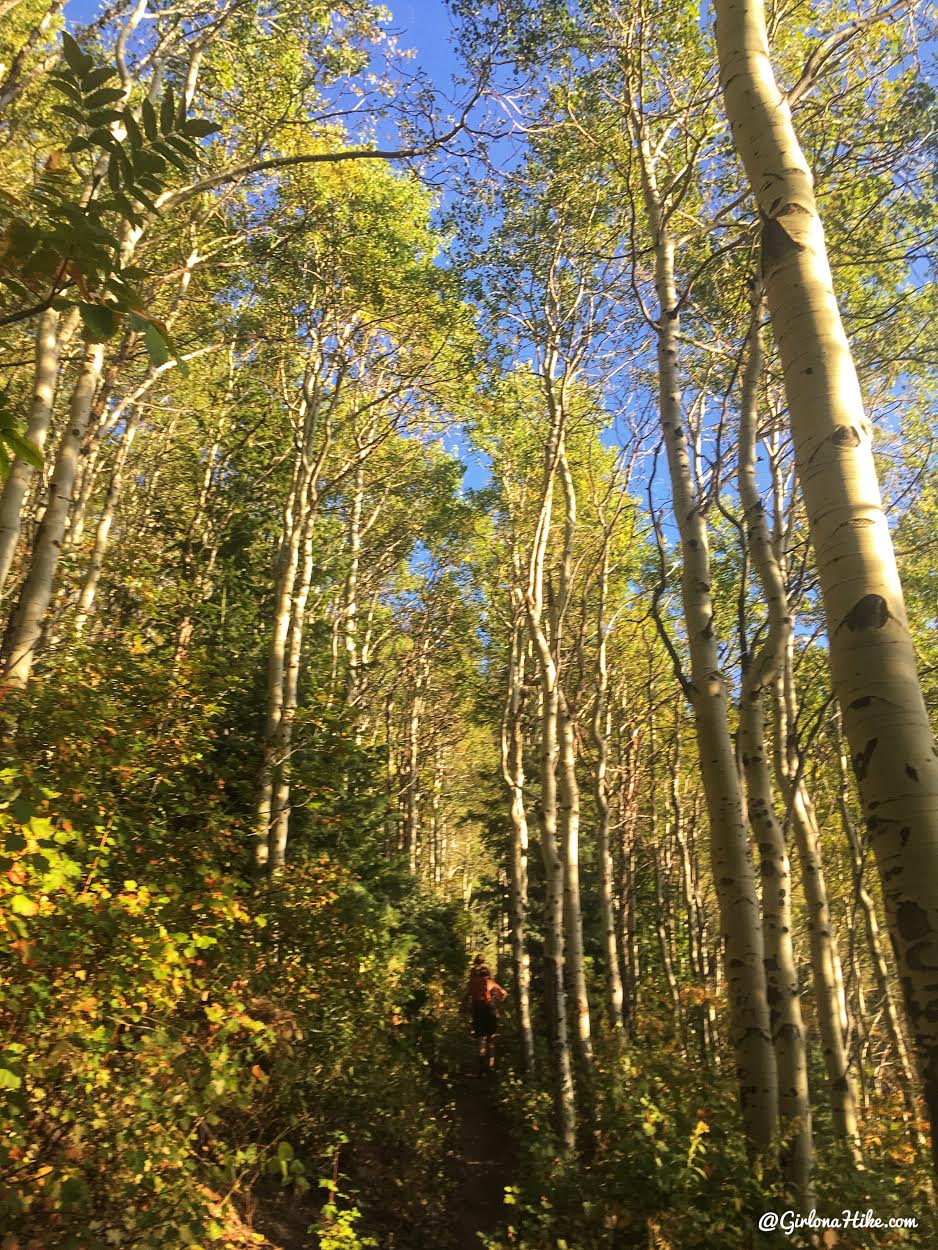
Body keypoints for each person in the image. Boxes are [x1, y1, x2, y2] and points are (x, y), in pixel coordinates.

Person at [462, 954, 507, 1076]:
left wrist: (466, 1008)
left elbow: (464, 997)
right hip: (489, 1008)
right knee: (491, 1038)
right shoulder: (489, 982)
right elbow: (503, 993)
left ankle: (480, 1067)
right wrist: (497, 1001)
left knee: (480, 1038)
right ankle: (491, 1066)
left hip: (477, 1009)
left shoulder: (471, 982)